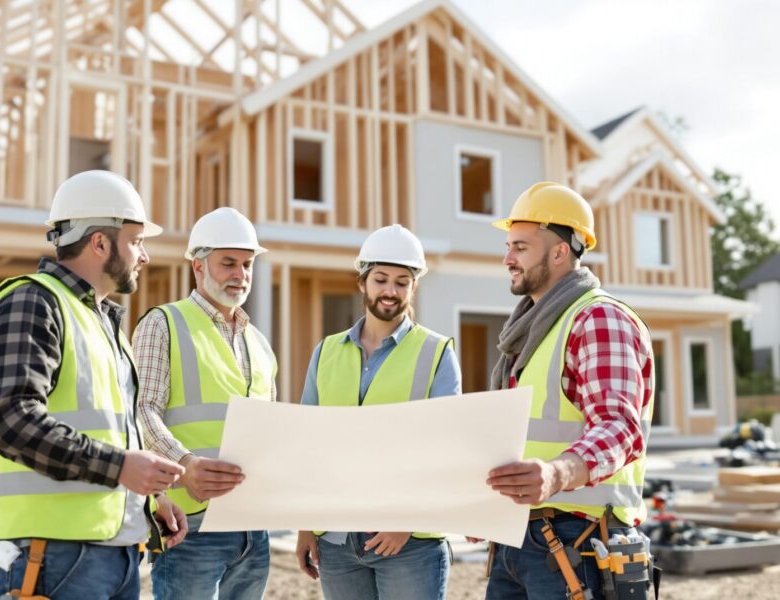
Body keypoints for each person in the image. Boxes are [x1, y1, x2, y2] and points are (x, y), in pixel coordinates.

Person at [0, 170, 188, 599]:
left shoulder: (103, 323)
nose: (144, 256)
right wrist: (122, 468)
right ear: (99, 243)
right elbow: (7, 419)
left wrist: (148, 502)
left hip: (118, 556)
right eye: (137, 241)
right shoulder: (33, 301)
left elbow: (108, 433)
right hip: (53, 558)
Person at [483, 182, 655, 599]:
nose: (507, 258)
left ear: (560, 252)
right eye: (508, 246)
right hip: (519, 536)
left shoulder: (598, 318)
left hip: (578, 539)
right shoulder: (530, 332)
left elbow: (619, 428)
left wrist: (557, 473)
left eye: (520, 247)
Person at [295, 224, 462, 600]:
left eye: (402, 282)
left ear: (413, 288)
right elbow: (308, 443)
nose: (390, 290)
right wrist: (306, 525)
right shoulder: (326, 352)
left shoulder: (436, 352)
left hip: (407, 544)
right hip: (336, 542)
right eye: (381, 279)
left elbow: (445, 446)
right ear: (362, 283)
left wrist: (408, 518)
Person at [134, 207, 278, 600]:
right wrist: (185, 465)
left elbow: (270, 430)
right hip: (189, 524)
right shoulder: (163, 323)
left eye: (247, 264)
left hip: (253, 527)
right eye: (228, 263)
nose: (241, 274)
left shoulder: (260, 345)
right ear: (198, 267)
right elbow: (142, 410)